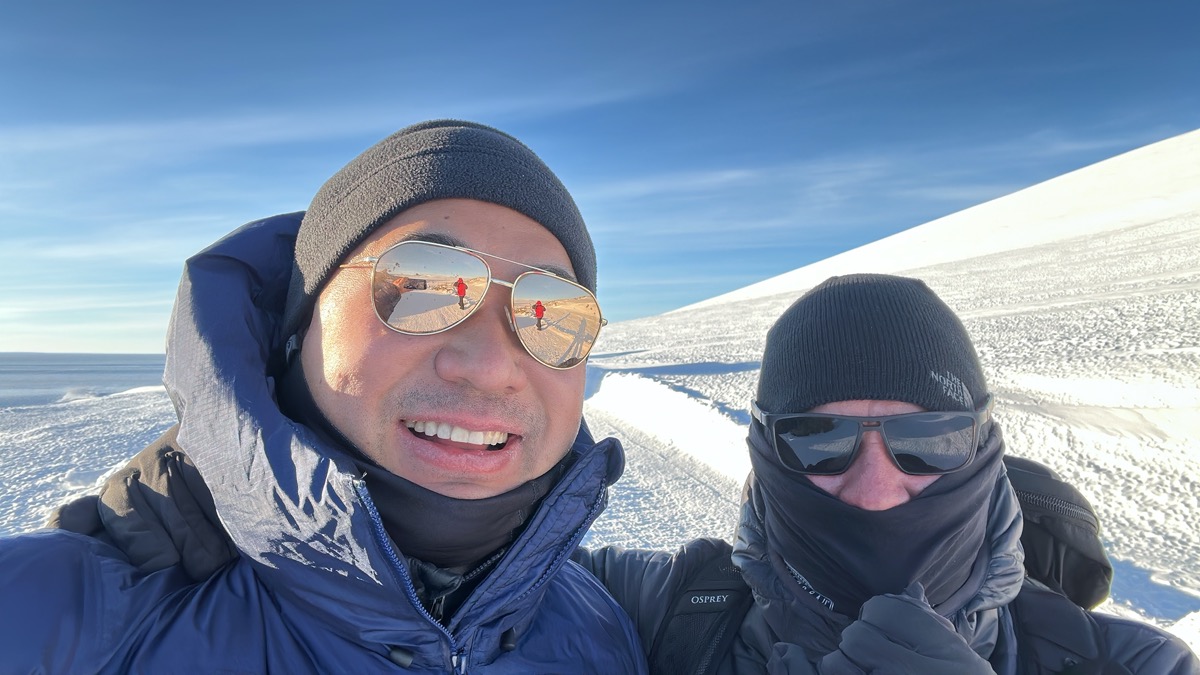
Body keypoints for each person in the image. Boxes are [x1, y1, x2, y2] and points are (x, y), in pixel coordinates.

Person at [35, 274, 1200, 670]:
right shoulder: (676, 609)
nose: (878, 482)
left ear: (983, 449)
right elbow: (464, 585)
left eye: (929, 443)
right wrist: (255, 499)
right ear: (766, 456)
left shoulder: (1120, 661)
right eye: (822, 442)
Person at [0, 120, 646, 673]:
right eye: (420, 282)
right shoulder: (51, 616)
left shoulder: (608, 627)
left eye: (553, 311)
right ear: (299, 327)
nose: (490, 366)